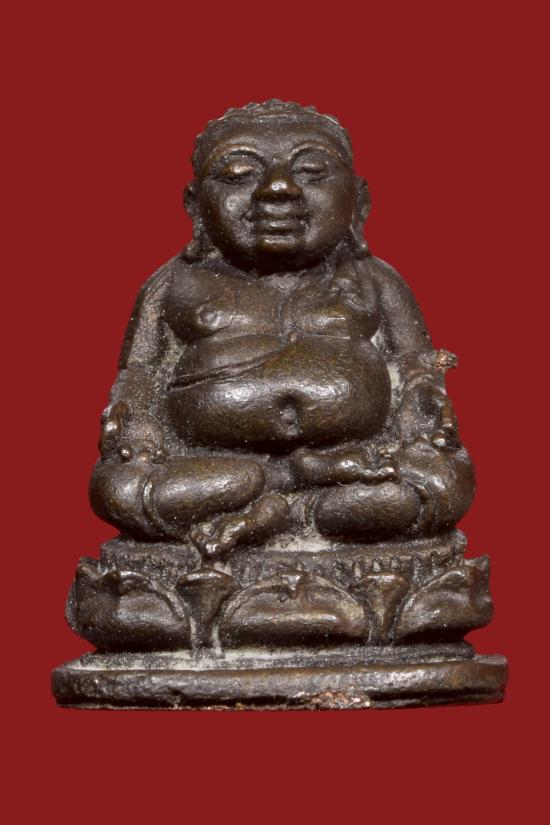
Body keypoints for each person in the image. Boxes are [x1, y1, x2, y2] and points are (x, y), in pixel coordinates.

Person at [90, 100, 474, 561]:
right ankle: (293, 485)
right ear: (195, 206)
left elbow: (413, 364)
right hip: (219, 468)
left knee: (440, 484)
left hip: (355, 467)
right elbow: (138, 374)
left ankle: (281, 514)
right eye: (238, 174)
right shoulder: (174, 284)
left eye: (312, 172)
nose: (277, 189)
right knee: (121, 490)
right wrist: (136, 430)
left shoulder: (374, 279)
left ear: (359, 201)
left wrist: (424, 408)